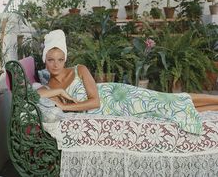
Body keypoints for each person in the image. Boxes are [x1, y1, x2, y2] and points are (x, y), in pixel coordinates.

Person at [36, 29, 218, 135]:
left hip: (119, 96)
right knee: (166, 112)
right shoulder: (49, 86)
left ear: (65, 58)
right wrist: (59, 92)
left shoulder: (79, 69)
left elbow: (95, 101)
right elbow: (35, 94)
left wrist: (66, 106)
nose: (56, 64)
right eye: (51, 59)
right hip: (113, 110)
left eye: (60, 59)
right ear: (45, 60)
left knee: (169, 100)